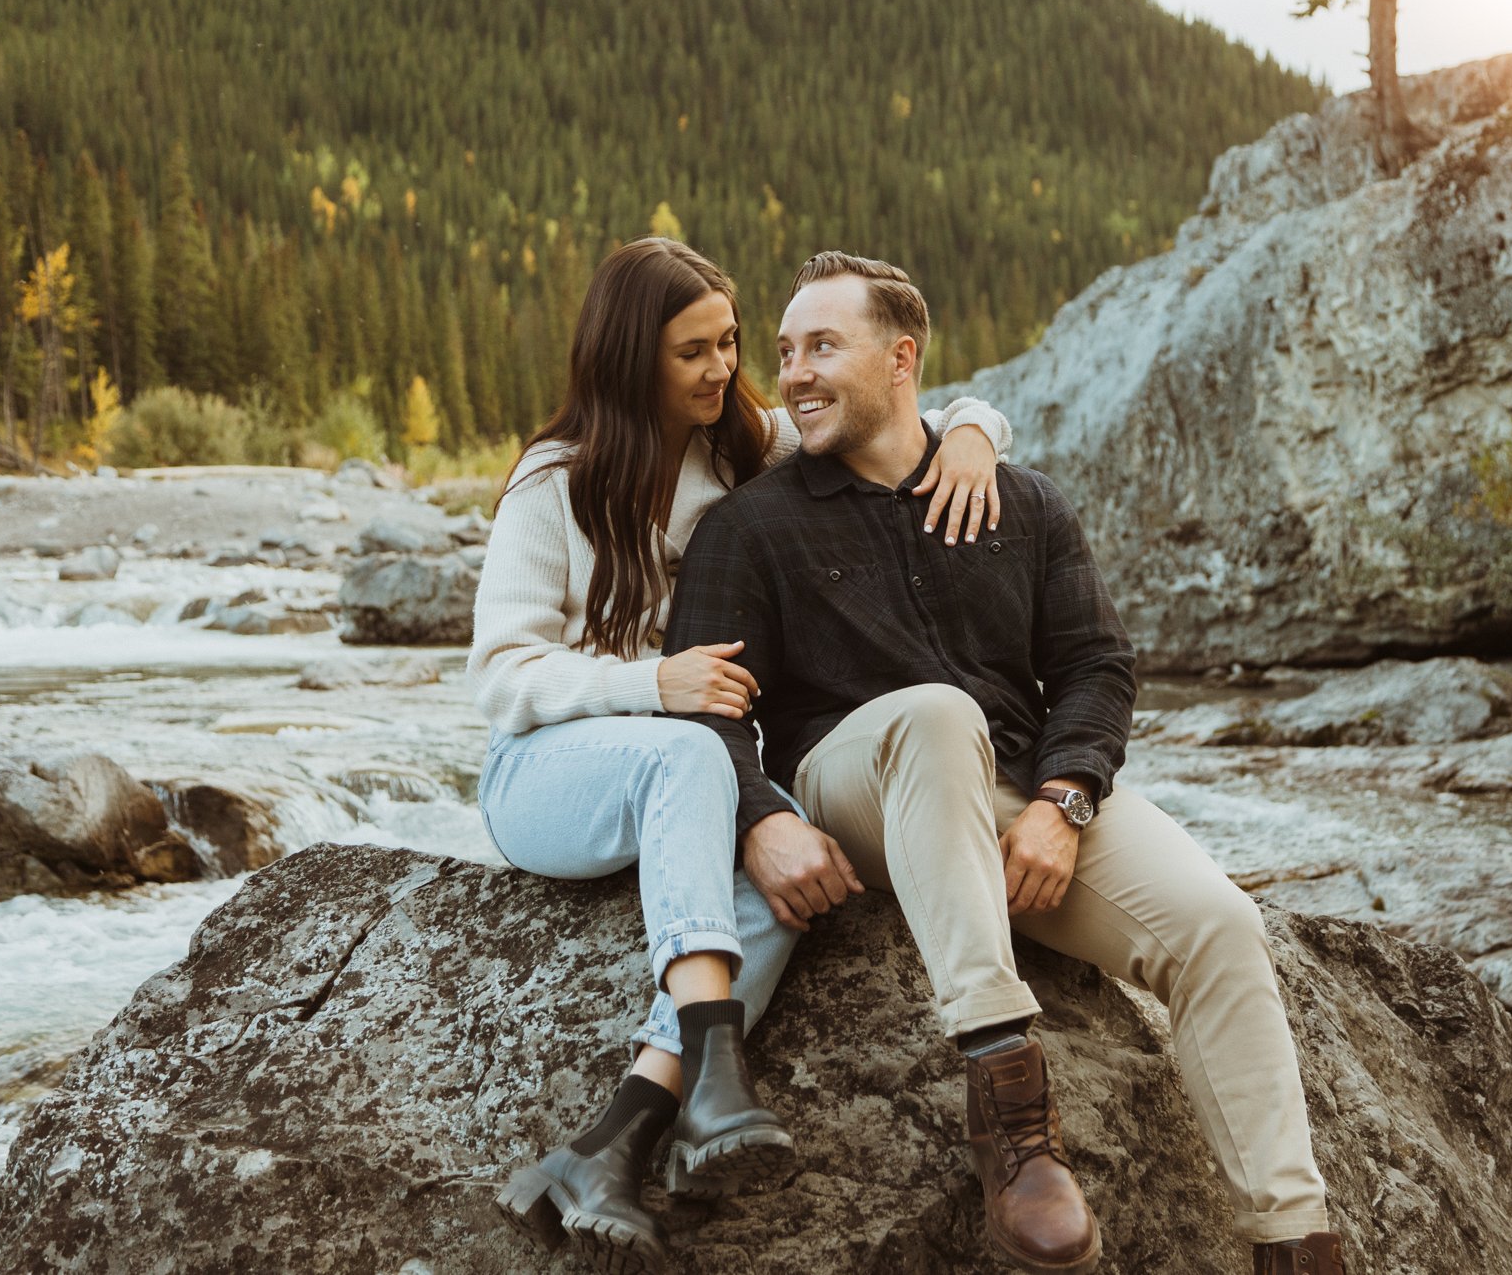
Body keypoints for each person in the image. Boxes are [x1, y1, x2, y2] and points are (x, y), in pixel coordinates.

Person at [661, 251, 1345, 1275]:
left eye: (821, 348)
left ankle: (1293, 1243)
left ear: (901, 359)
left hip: (1015, 786)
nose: (791, 374)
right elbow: (705, 711)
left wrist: (1063, 801)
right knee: (933, 713)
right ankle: (1014, 1127)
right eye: (786, 350)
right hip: (858, 789)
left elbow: (1092, 667)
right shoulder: (749, 527)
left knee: (1216, 926)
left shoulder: (1022, 502)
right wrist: (760, 817)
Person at [466, 237, 1015, 1272]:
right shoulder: (554, 480)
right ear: (631, 359)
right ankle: (717, 1057)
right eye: (692, 353)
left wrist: (976, 434)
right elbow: (500, 675)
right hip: (546, 781)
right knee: (694, 762)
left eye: (727, 343)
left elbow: (903, 419)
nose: (722, 369)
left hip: (685, 783)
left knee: (792, 868)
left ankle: (616, 1138)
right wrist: (650, 686)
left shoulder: (741, 448)